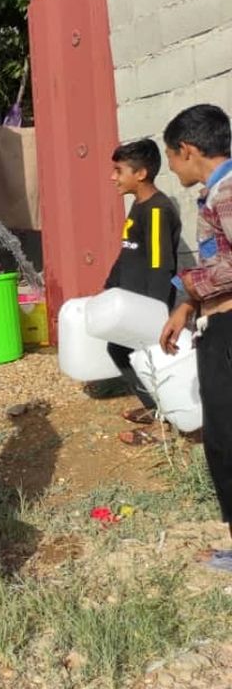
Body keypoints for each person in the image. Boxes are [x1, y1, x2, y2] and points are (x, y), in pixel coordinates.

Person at [158, 104, 232, 572]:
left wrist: (187, 285)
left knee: (226, 438)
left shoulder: (227, 194)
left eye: (170, 156)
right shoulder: (215, 192)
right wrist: (187, 305)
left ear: (188, 150)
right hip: (216, 324)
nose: (170, 167)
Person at [102, 139, 180, 439]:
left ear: (141, 173)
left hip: (148, 304)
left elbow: (161, 266)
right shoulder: (139, 204)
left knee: (144, 357)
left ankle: (164, 424)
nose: (113, 177)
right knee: (119, 348)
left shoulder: (158, 210)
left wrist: (155, 314)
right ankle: (156, 409)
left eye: (118, 170)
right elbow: (127, 253)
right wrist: (109, 288)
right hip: (131, 301)